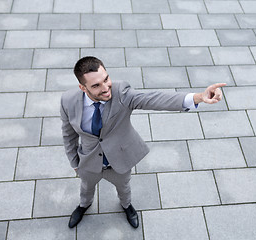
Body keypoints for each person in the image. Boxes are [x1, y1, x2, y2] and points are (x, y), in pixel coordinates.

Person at [60, 56, 226, 229]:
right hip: (88, 161)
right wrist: (74, 162)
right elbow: (68, 135)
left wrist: (198, 97)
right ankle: (84, 205)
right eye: (96, 86)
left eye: (106, 79)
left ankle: (126, 206)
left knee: (124, 188)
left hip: (119, 160)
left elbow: (155, 99)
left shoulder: (122, 93)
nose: (105, 88)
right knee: (86, 188)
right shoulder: (68, 101)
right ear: (82, 87)